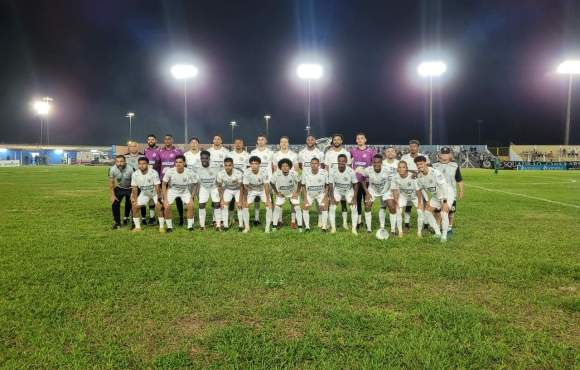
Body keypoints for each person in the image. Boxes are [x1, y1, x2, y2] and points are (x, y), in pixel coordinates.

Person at [414, 155, 450, 243]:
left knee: (444, 213)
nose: (419, 166)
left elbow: (443, 186)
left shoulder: (435, 172)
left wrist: (445, 202)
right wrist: (427, 201)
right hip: (436, 196)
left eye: (421, 164)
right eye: (417, 165)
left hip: (446, 194)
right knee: (427, 212)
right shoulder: (419, 176)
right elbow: (421, 190)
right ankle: (437, 233)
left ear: (425, 163)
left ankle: (444, 236)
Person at [432, 147, 464, 236]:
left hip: (451, 193)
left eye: (447, 154)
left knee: (450, 212)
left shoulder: (455, 166)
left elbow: (459, 180)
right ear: (439, 155)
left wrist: (461, 191)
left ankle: (449, 228)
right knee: (437, 211)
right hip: (438, 193)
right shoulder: (434, 166)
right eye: (443, 154)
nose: (444, 155)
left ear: (450, 155)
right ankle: (438, 229)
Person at [162, 155, 198, 232]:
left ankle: (190, 226)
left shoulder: (189, 172)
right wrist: (165, 199)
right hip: (172, 190)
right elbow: (164, 184)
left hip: (185, 191)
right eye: (176, 162)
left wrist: (191, 198)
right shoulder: (170, 171)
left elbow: (195, 184)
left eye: (180, 162)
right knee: (167, 206)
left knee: (190, 205)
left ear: (184, 163)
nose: (178, 164)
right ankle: (169, 227)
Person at [360, 154, 393, 235]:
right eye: (374, 162)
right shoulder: (368, 170)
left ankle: (390, 229)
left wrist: (390, 192)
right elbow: (362, 179)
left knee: (391, 206)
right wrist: (367, 192)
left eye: (378, 162)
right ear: (372, 163)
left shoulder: (388, 170)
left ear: (382, 163)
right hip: (372, 191)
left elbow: (393, 181)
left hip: (385, 191)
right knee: (367, 205)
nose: (376, 164)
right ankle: (369, 229)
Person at [400, 139, 429, 230]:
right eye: (411, 146)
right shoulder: (404, 157)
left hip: (421, 183)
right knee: (408, 204)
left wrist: (417, 173)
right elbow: (401, 168)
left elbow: (428, 168)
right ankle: (407, 223)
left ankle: (425, 224)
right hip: (408, 183)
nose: (413, 148)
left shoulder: (424, 157)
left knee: (423, 203)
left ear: (418, 147)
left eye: (415, 146)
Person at [327, 154, 359, 235]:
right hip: (337, 191)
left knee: (354, 208)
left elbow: (356, 184)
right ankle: (333, 228)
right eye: (340, 161)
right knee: (332, 207)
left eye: (343, 161)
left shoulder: (351, 171)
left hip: (348, 191)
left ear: (346, 162)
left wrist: (354, 198)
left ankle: (354, 229)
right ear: (337, 161)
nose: (341, 162)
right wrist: (331, 197)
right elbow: (330, 184)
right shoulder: (332, 170)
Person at [130, 157, 163, 232]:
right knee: (134, 206)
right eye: (140, 164)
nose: (141, 165)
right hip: (144, 193)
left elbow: (157, 186)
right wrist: (134, 199)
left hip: (154, 193)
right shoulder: (135, 174)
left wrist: (158, 199)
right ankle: (137, 227)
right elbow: (134, 188)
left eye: (144, 164)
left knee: (159, 206)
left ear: (147, 164)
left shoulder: (153, 172)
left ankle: (161, 227)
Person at [390, 161, 423, 237]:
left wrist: (419, 203)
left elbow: (418, 190)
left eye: (403, 167)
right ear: (397, 169)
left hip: (415, 196)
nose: (401, 169)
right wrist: (397, 203)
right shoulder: (395, 177)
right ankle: (400, 232)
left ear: (406, 168)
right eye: (399, 167)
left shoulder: (413, 176)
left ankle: (419, 232)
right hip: (403, 196)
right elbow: (394, 190)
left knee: (420, 212)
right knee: (398, 211)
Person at [350, 132, 375, 229]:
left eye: (362, 138)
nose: (360, 140)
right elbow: (347, 162)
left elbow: (375, 164)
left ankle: (367, 220)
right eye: (358, 138)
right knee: (357, 200)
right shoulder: (352, 151)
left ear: (365, 140)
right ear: (356, 140)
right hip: (356, 180)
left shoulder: (371, 151)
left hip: (367, 180)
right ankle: (359, 221)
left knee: (367, 200)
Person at [272, 136, 299, 228]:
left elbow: (296, 169)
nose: (284, 143)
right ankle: (279, 220)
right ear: (279, 143)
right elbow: (275, 169)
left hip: (291, 180)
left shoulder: (294, 154)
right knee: (280, 201)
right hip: (280, 181)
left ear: (288, 143)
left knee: (293, 202)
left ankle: (293, 221)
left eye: (285, 142)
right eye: (282, 142)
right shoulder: (275, 155)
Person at [242, 156, 273, 233]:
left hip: (262, 190)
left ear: (259, 164)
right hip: (251, 190)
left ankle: (267, 227)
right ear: (250, 164)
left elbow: (266, 186)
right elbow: (245, 186)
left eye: (256, 163)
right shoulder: (246, 172)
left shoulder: (264, 171)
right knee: (245, 206)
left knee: (269, 206)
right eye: (252, 164)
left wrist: (268, 200)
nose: (254, 165)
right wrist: (245, 200)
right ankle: (247, 227)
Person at [159, 134, 185, 226]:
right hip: (164, 179)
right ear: (164, 141)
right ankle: (165, 218)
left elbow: (182, 164)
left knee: (178, 199)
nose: (167, 141)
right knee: (163, 199)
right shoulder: (160, 151)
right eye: (165, 139)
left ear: (172, 140)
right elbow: (158, 165)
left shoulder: (178, 151)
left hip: (175, 179)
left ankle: (181, 218)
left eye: (169, 139)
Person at [270, 158, 302, 231]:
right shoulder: (276, 174)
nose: (285, 167)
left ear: (290, 167)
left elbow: (300, 182)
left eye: (287, 166)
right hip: (282, 194)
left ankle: (298, 226)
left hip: (292, 193)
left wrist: (297, 192)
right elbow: (271, 183)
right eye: (283, 166)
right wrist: (276, 192)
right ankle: (274, 226)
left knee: (297, 207)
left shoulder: (294, 173)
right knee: (277, 207)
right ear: (280, 167)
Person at [249, 134, 274, 225]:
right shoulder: (253, 152)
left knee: (270, 198)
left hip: (268, 180)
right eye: (259, 139)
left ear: (266, 141)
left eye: (262, 139)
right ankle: (256, 218)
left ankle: (271, 219)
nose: (260, 141)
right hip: (256, 180)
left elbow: (273, 166)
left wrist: (273, 178)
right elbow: (250, 167)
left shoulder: (270, 152)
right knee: (256, 198)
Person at [300, 157, 329, 231]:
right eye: (312, 163)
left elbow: (327, 186)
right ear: (310, 164)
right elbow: (303, 186)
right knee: (305, 207)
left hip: (320, 194)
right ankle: (307, 227)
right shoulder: (305, 172)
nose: (314, 165)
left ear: (319, 164)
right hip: (309, 194)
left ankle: (324, 227)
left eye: (315, 163)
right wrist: (305, 199)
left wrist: (325, 198)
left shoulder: (324, 172)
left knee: (324, 207)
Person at [217, 157, 244, 231]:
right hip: (228, 189)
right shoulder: (220, 174)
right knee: (224, 206)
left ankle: (241, 225)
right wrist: (222, 200)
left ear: (233, 165)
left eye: (229, 165)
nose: (227, 167)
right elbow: (219, 187)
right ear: (224, 166)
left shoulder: (238, 173)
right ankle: (225, 226)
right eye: (226, 165)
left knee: (239, 206)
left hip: (238, 189)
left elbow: (241, 187)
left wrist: (240, 201)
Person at [197, 150, 221, 231]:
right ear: (200, 159)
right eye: (202, 158)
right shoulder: (196, 166)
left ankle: (218, 225)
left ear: (209, 158)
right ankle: (202, 226)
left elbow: (221, 175)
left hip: (214, 187)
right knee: (201, 205)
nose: (204, 160)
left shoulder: (216, 166)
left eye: (206, 158)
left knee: (217, 204)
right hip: (204, 187)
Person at [124, 140, 148, 224]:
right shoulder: (125, 157)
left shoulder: (143, 156)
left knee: (142, 200)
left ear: (137, 147)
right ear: (129, 148)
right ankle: (126, 217)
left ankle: (144, 218)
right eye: (131, 146)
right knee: (129, 200)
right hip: (129, 182)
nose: (133, 148)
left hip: (141, 182)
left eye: (134, 146)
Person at [108, 155, 134, 229]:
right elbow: (111, 183)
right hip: (120, 188)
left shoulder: (131, 169)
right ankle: (117, 223)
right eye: (117, 162)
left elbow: (134, 183)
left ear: (125, 161)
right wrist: (112, 195)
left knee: (133, 203)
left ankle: (134, 223)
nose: (119, 163)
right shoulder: (112, 169)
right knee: (115, 203)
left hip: (130, 188)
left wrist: (133, 194)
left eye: (121, 161)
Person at [143, 134, 162, 224]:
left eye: (152, 139)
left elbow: (160, 162)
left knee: (159, 197)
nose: (150, 141)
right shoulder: (145, 150)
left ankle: (160, 217)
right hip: (148, 178)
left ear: (156, 140)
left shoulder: (160, 150)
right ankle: (151, 218)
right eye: (149, 139)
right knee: (150, 197)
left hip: (158, 177)